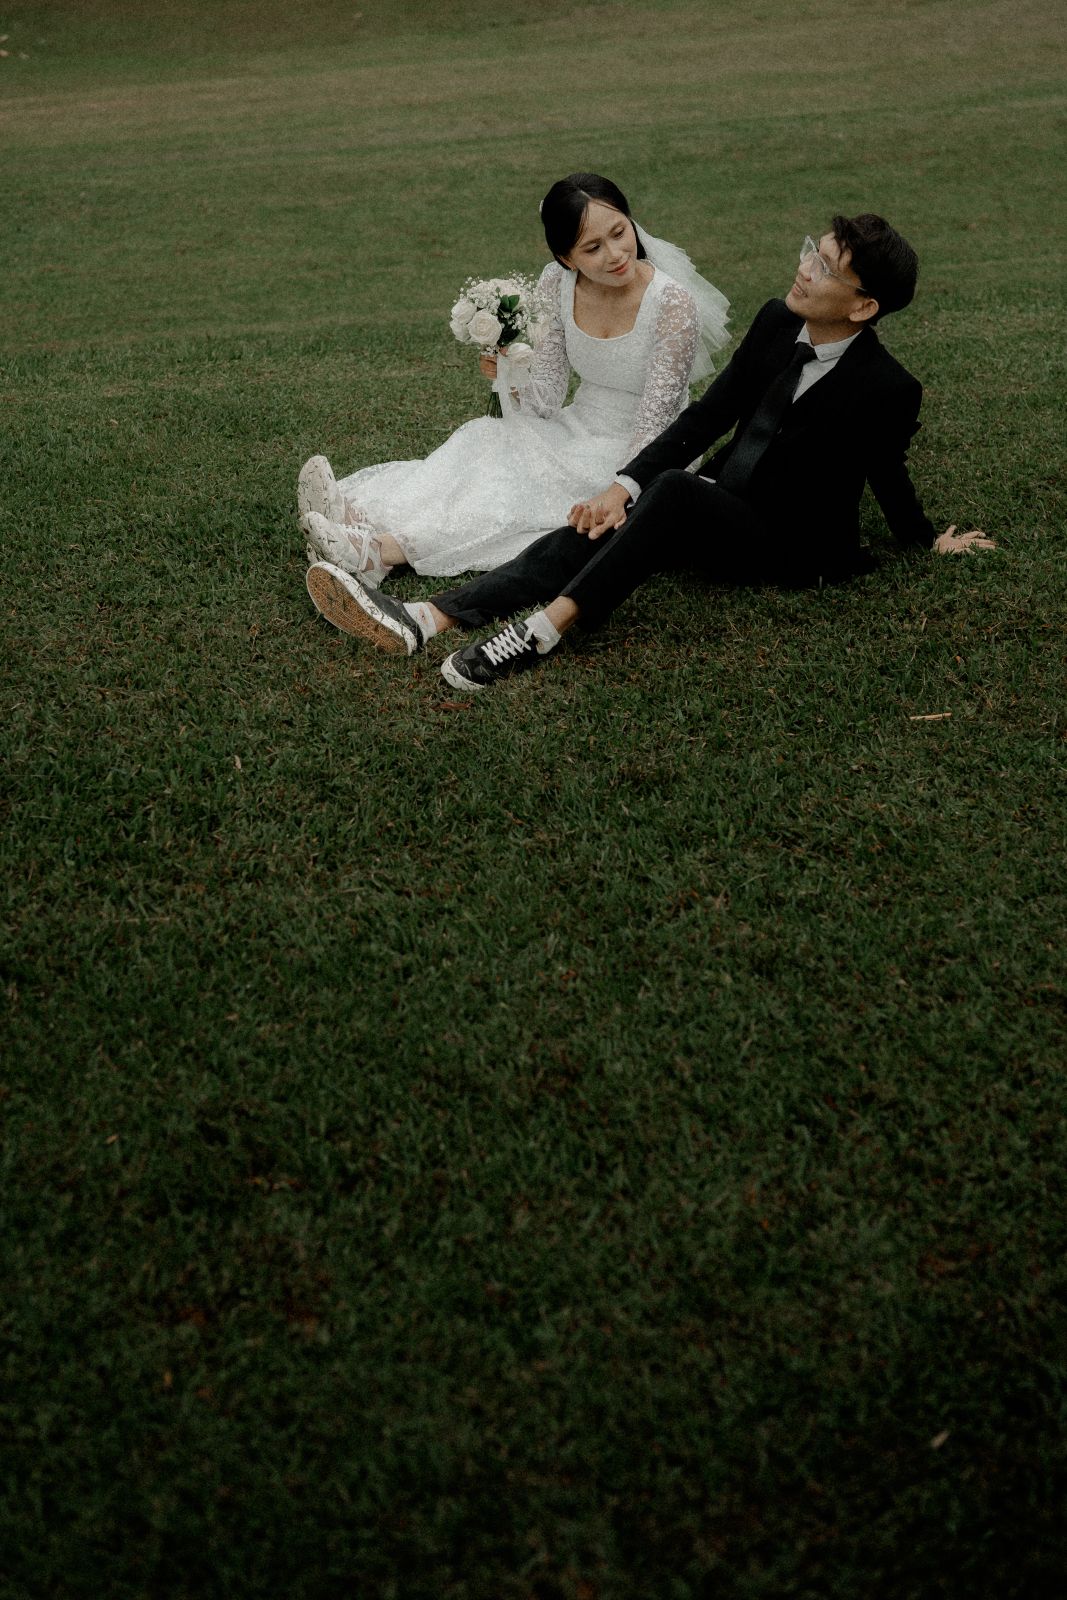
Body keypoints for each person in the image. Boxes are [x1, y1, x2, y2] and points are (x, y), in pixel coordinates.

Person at [304, 212, 994, 687]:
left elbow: (888, 472)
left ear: (863, 306)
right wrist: (619, 487)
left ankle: (541, 632)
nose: (804, 269)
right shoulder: (776, 319)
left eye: (826, 267)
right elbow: (710, 415)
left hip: (790, 545)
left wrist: (925, 539)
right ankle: (426, 617)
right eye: (812, 250)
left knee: (670, 493)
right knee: (600, 516)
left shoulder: (886, 388)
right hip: (720, 503)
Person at [298, 172, 730, 591]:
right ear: (567, 259)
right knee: (486, 439)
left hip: (643, 454)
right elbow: (547, 398)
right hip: (580, 422)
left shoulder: (672, 305)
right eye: (593, 247)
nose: (616, 254)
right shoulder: (557, 283)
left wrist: (621, 490)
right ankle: (359, 517)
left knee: (522, 485)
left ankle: (379, 552)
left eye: (620, 232)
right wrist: (512, 372)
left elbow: (656, 424)